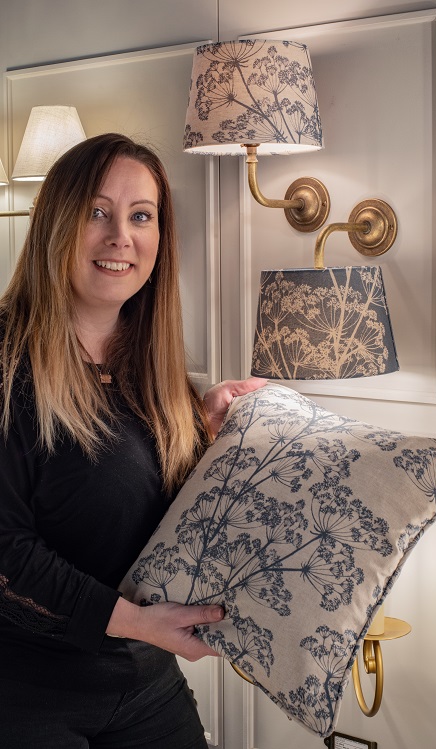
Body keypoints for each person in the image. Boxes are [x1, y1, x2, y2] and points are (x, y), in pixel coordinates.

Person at [0, 133, 265, 748]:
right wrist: (138, 622)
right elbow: (7, 549)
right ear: (56, 225)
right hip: (25, 688)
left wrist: (197, 430)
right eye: (97, 212)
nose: (122, 236)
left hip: (144, 681)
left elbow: (127, 501)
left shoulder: (154, 363)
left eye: (141, 216)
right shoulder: (8, 358)